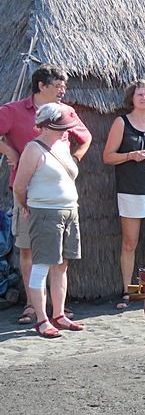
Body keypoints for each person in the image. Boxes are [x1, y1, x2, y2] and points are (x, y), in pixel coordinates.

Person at [0, 64, 91, 325]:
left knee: (60, 258)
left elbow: (85, 138)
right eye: (58, 86)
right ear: (41, 86)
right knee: (29, 252)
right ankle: (33, 307)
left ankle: (57, 311)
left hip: (60, 199)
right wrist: (10, 152)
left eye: (65, 86)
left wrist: (72, 160)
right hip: (29, 197)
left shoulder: (67, 112)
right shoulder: (14, 111)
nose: (63, 91)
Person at [11, 103, 84, 337]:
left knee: (62, 265)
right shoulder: (33, 149)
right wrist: (25, 207)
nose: (66, 131)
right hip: (45, 212)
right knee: (41, 266)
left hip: (69, 210)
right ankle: (42, 319)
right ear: (47, 125)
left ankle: (59, 314)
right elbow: (20, 186)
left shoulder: (62, 145)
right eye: (62, 127)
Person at [103, 80, 145, 308]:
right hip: (130, 190)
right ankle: (127, 290)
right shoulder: (121, 123)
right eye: (140, 94)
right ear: (131, 97)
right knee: (130, 242)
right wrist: (130, 156)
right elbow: (108, 157)